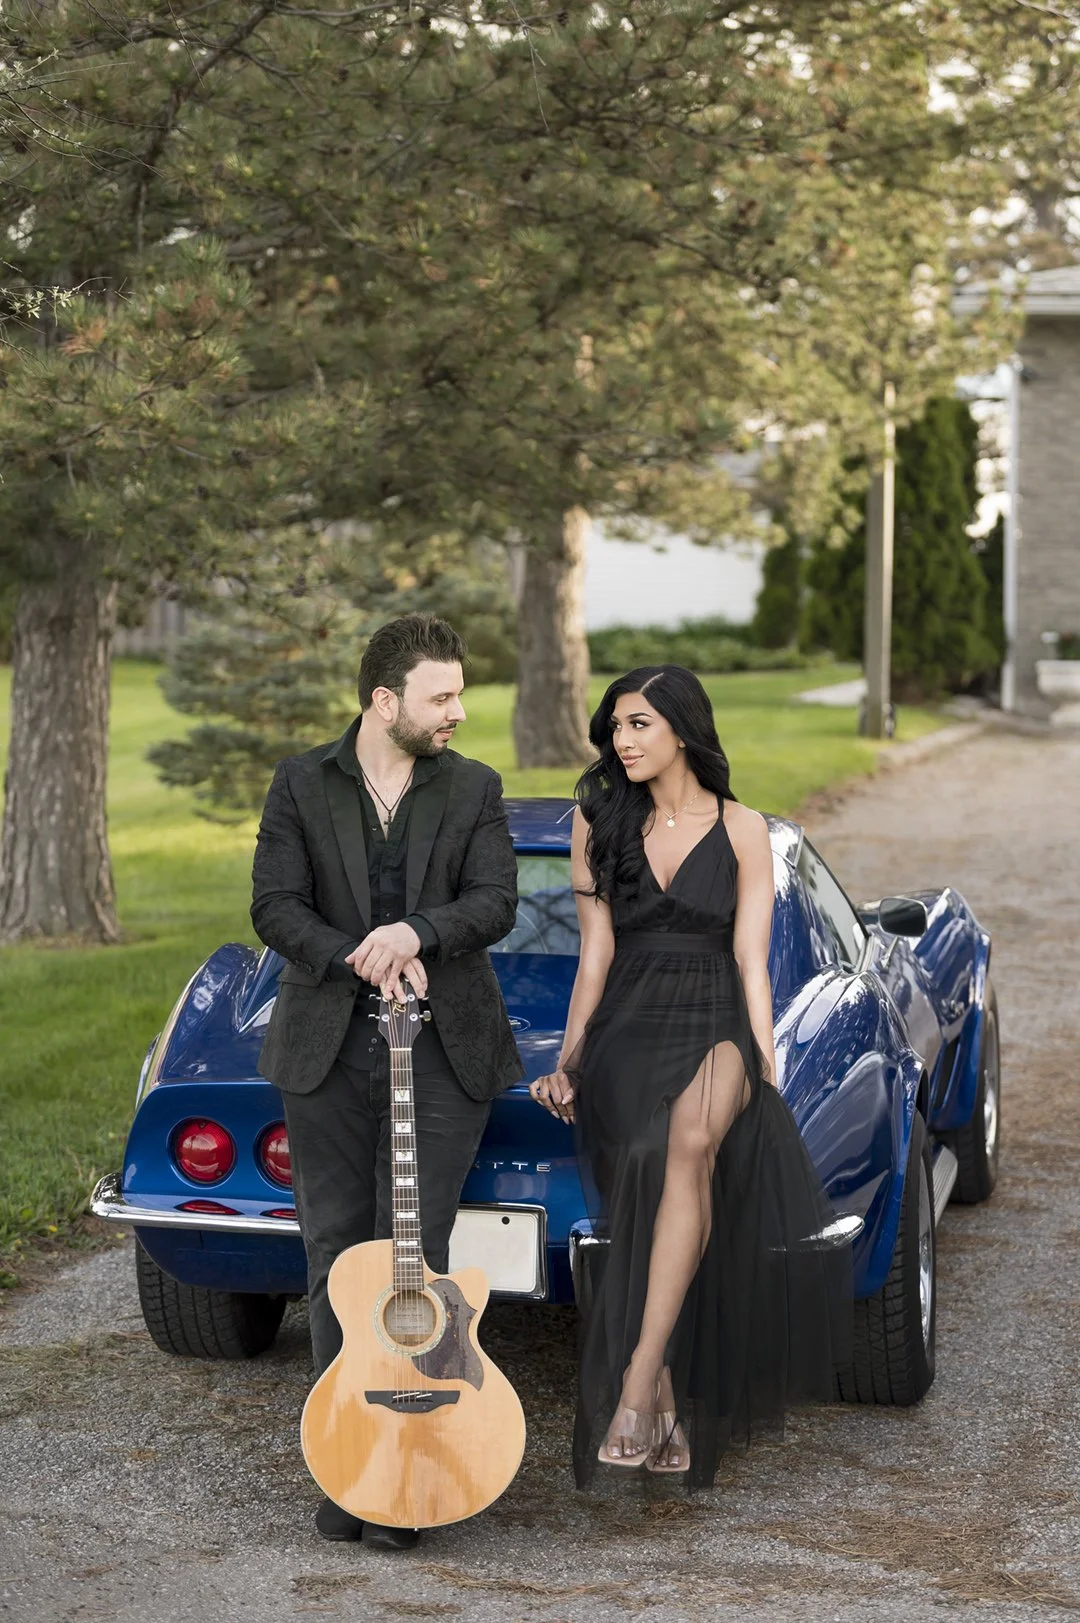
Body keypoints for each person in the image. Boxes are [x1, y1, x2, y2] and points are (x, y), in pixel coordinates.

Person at [530, 665, 849, 1488]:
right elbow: (594, 955)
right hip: (629, 1020)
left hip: (718, 1018)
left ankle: (635, 1380)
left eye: (638, 724)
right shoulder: (593, 822)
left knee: (691, 1136)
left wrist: (764, 1053)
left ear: (681, 726)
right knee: (647, 1160)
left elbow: (751, 956)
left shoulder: (744, 828)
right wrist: (569, 1056)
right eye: (615, 728)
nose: (621, 741)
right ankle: (663, 1385)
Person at [251, 613, 523, 1546]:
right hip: (326, 1043)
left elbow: (495, 901)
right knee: (333, 1252)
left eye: (458, 692)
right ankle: (350, 1459)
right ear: (384, 700)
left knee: (418, 1254)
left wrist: (418, 934)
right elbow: (274, 906)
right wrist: (357, 955)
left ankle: (416, 1457)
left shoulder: (475, 786)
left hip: (447, 1047)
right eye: (440, 695)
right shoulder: (299, 781)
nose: (457, 710)